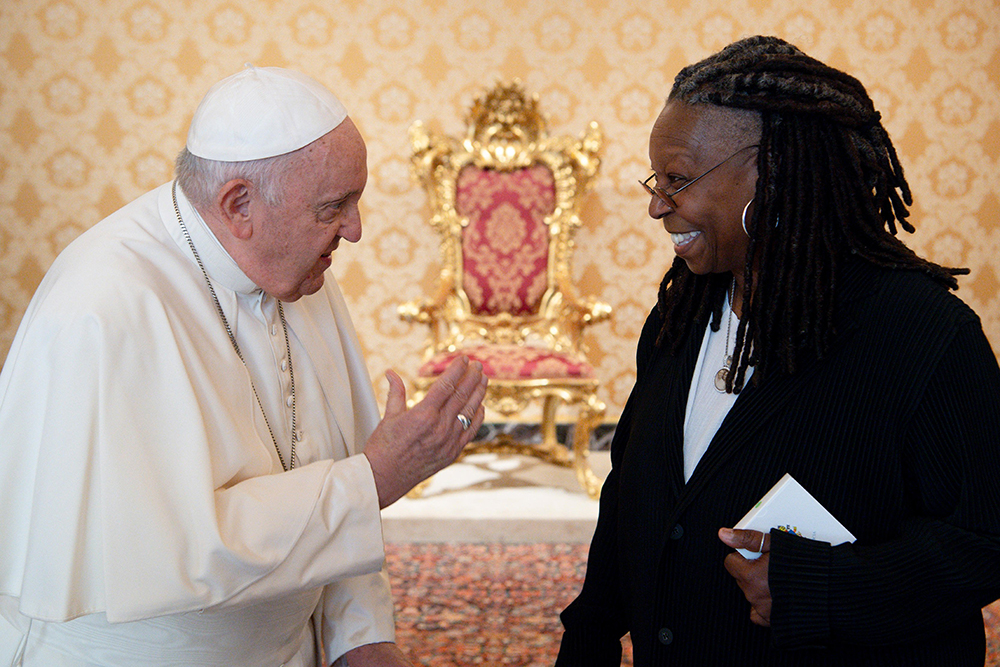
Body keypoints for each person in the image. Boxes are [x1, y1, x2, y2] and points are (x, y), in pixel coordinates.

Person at [0, 65, 488, 666]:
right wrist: (375, 479)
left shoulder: (300, 273)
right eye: (334, 207)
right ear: (239, 205)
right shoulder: (102, 309)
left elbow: (327, 471)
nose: (355, 231)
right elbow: (163, 549)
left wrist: (362, 637)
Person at [556, 35, 1000, 666]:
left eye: (678, 180)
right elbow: (632, 495)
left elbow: (985, 541)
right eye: (657, 179)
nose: (657, 205)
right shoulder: (680, 314)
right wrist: (590, 635)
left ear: (775, 172)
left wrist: (818, 589)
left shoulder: (924, 334)